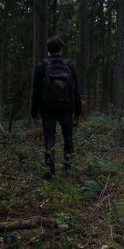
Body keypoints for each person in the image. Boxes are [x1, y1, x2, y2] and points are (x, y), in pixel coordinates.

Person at [31, 35, 82, 177]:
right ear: (61, 48)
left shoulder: (41, 65)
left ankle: (50, 171)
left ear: (48, 49)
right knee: (68, 137)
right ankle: (68, 168)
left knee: (49, 137)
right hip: (67, 107)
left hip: (47, 108)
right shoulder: (69, 65)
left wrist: (33, 112)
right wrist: (78, 111)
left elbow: (35, 91)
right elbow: (76, 90)